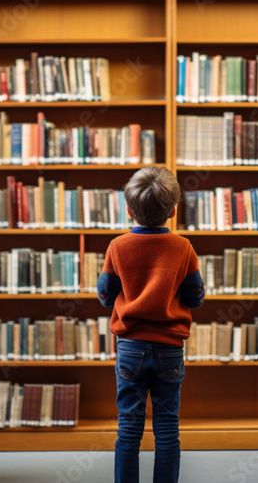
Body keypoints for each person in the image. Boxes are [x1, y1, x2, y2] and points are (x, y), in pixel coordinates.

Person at [97, 167, 204, 483]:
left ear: (129, 210)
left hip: (130, 347)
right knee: (168, 426)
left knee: (129, 426)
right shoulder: (183, 247)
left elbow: (105, 296)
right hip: (170, 348)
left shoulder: (118, 246)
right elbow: (195, 297)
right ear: (173, 211)